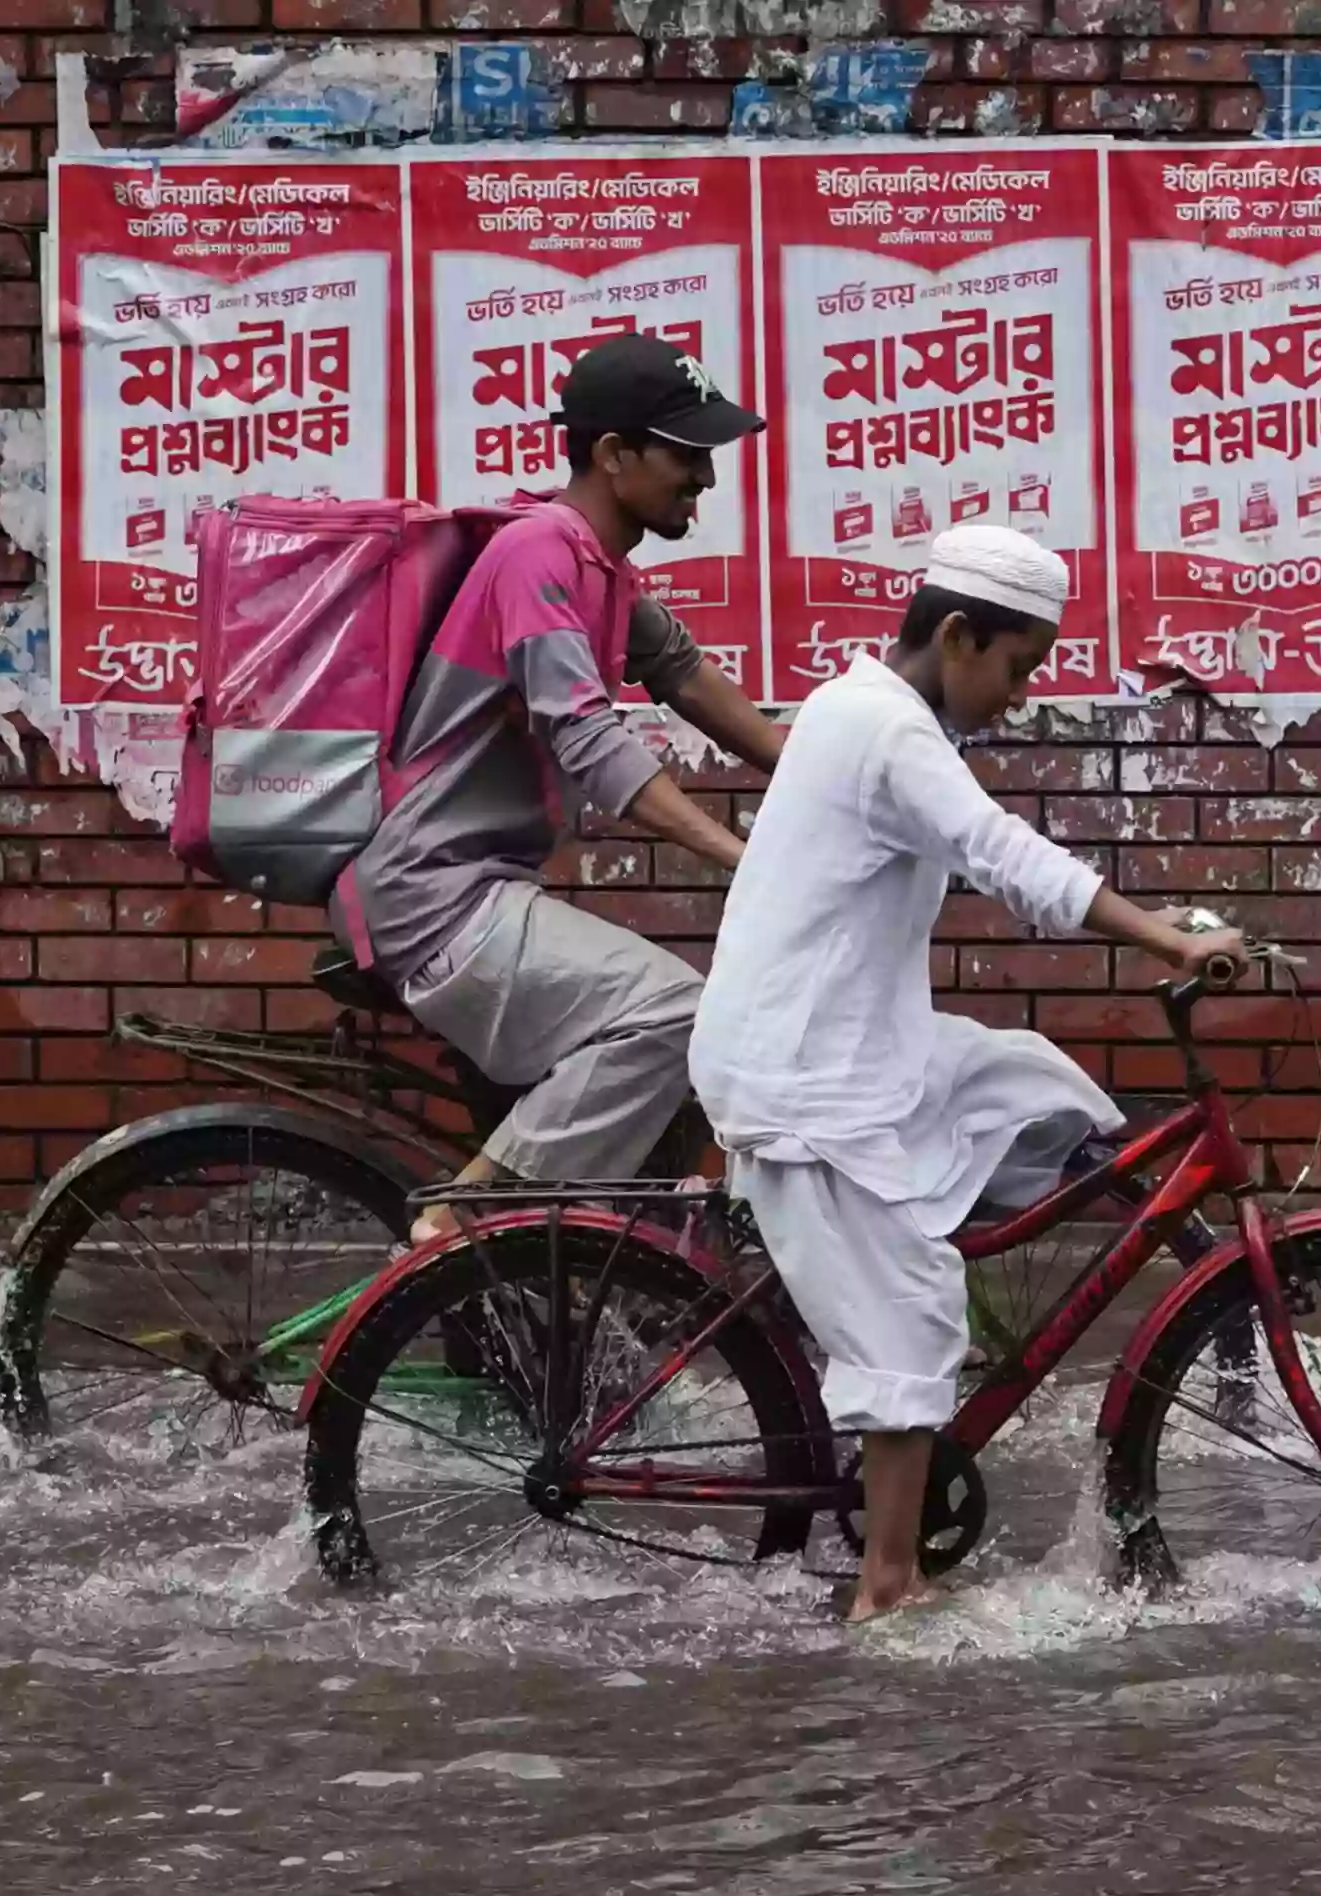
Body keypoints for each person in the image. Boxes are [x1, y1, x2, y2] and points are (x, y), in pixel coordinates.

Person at [690, 527, 1246, 1626]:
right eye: (1018, 664)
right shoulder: (885, 731)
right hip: (809, 1073)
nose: (1022, 693)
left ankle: (951, 1320)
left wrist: (1156, 925)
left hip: (864, 1042)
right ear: (956, 634)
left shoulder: (870, 711)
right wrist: (1163, 941)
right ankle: (887, 1586)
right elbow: (1005, 856)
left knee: (1034, 1091)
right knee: (909, 1310)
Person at [333, 333, 791, 1244]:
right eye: (686, 455)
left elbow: (692, 681)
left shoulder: (601, 569)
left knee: (691, 1065)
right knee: (672, 1013)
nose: (704, 478)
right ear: (616, 456)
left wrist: (848, 781)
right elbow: (581, 730)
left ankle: (580, 1285)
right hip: (437, 899)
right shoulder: (539, 553)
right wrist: (741, 857)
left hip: (482, 892)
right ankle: (465, 1221)